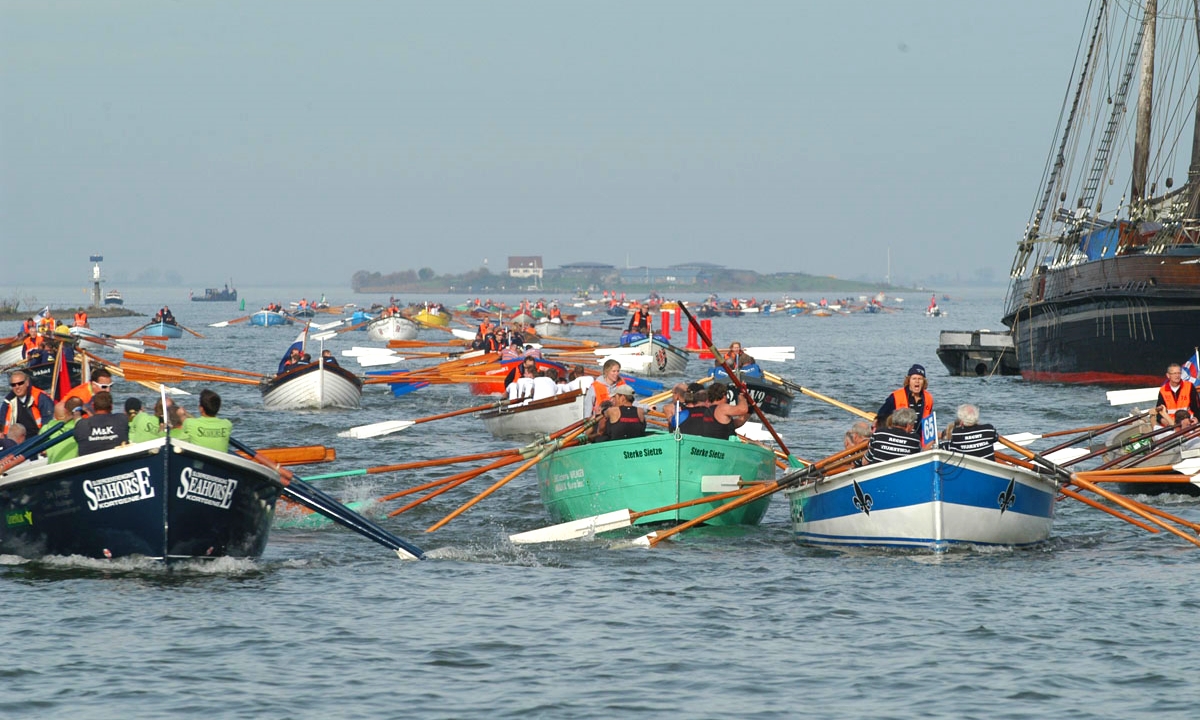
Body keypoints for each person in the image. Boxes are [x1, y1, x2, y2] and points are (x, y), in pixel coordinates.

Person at [680, 382, 748, 439]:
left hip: (714, 445)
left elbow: (735, 423)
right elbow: (743, 409)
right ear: (723, 395)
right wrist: (741, 395)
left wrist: (751, 410)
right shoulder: (722, 408)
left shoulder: (708, 409)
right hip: (724, 446)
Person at [875, 364, 933, 430]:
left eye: (920, 379)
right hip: (899, 435)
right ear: (909, 381)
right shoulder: (895, 396)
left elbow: (928, 421)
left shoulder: (928, 398)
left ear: (924, 382)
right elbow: (881, 416)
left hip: (918, 437)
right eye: (914, 378)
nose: (917, 381)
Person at [2, 369, 55, 439]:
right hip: (17, 442)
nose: (17, 387)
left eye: (20, 383)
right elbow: (1, 422)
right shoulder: (9, 401)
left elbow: (49, 421)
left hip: (39, 437)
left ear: (27, 383)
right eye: (13, 385)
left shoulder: (41, 398)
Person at [73, 391, 129, 455]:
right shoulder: (122, 419)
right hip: (117, 461)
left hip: (90, 463)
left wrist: (78, 415)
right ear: (111, 406)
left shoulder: (81, 425)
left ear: (93, 406)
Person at [1155, 363, 1200, 427]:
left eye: (1179, 373)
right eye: (1174, 373)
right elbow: (1159, 412)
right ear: (1168, 375)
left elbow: (1197, 408)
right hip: (1171, 425)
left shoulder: (1189, 387)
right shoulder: (1163, 390)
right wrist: (1164, 421)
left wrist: (1196, 419)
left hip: (1188, 424)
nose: (1177, 376)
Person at [42, 398, 82, 463]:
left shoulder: (46, 428)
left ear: (54, 415)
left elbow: (43, 451)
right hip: (75, 465)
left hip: (53, 467)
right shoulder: (79, 425)